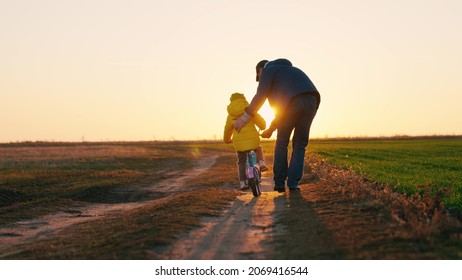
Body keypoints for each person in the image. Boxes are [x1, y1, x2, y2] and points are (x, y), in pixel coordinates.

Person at [234, 59, 320, 192]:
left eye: (259, 76)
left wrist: (244, 119)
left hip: (293, 103)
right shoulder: (289, 72)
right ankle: (293, 184)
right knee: (300, 144)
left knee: (282, 142)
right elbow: (281, 111)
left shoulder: (268, 71)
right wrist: (271, 129)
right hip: (312, 100)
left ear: (260, 70)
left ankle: (280, 183)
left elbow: (260, 95)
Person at [223, 92, 269, 190]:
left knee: (241, 161)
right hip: (252, 140)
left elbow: (227, 129)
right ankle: (261, 163)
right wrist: (262, 126)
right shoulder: (249, 110)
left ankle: (243, 183)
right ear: (243, 99)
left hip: (239, 144)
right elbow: (261, 122)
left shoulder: (230, 116)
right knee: (258, 148)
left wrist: (227, 140)